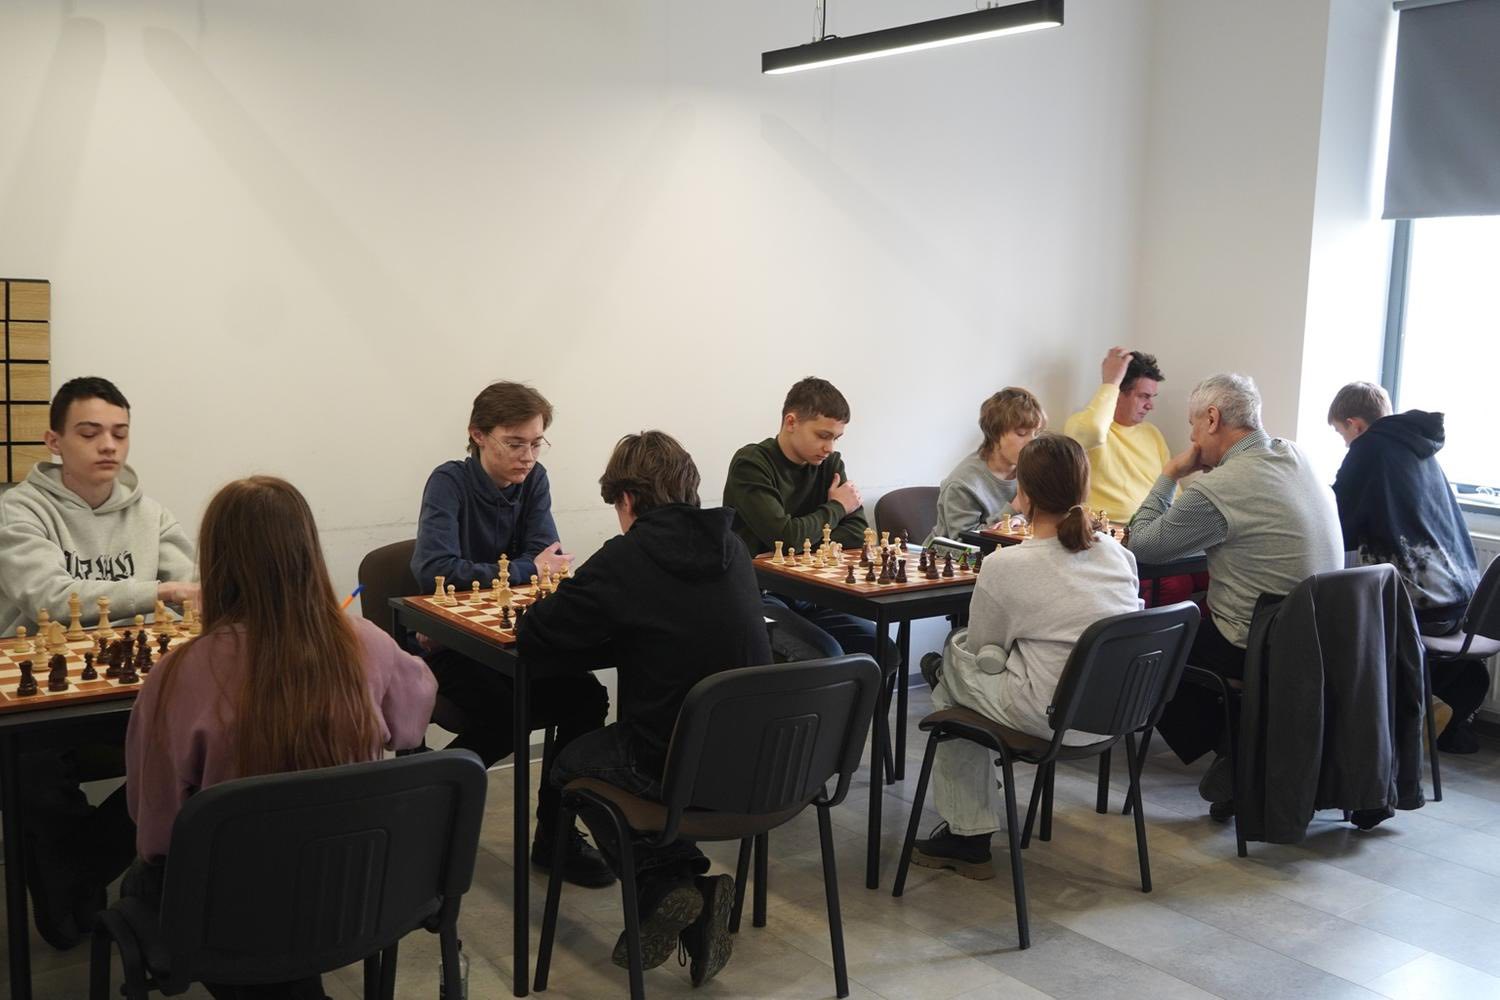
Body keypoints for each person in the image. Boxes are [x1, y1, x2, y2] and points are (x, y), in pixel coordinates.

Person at [124, 476, 437, 1000]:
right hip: (357, 891)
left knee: (141, 882)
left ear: (216, 562)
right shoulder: (365, 643)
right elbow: (412, 726)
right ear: (308, 551)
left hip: (233, 917)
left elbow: (156, 831)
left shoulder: (178, 673)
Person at [518, 431, 770, 986]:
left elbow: (538, 632)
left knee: (571, 765)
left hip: (675, 767)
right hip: (760, 768)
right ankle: (690, 885)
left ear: (628, 499)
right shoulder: (732, 547)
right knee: (648, 745)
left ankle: (664, 884)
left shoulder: (628, 556)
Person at [0, 376, 198, 949]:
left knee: (195, 756)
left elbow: (190, 589)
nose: (108, 445)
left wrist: (182, 595)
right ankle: (75, 884)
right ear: (54, 441)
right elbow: (48, 597)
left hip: (128, 682)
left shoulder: (152, 515)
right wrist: (159, 592)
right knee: (35, 777)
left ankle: (73, 876)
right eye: (89, 433)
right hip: (37, 687)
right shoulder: (18, 512)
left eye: (119, 433)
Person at [912, 435, 1143, 877]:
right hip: (1116, 714)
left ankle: (967, 838)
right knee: (968, 666)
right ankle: (944, 675)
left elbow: (984, 650)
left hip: (1050, 717)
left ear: (1025, 493)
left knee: (954, 674)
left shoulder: (1006, 565)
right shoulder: (1119, 555)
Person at [411, 380, 612, 886]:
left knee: (587, 697)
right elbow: (433, 568)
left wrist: (523, 570)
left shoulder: (534, 480)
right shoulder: (449, 482)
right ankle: (423, 801)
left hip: (512, 636)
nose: (528, 456)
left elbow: (550, 560)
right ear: (478, 435)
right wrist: (527, 568)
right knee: (507, 715)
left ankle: (556, 837)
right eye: (515, 443)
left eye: (537, 443)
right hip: (451, 642)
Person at [1127, 374, 1342, 810]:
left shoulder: (1221, 487)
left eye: (1192, 425)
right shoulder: (1296, 455)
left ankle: (1240, 748)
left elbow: (1142, 545)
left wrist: (1169, 474)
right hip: (1320, 637)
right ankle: (1245, 744)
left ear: (1212, 418)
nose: (1191, 438)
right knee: (1192, 620)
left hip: (1261, 642)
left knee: (1144, 649)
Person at [1329, 381, 1485, 753]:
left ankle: (1381, 727)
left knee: (1329, 623)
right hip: (1464, 606)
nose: (1345, 443)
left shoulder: (1369, 448)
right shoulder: (1420, 448)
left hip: (1424, 610)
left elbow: (1335, 526)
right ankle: (1436, 714)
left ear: (1355, 425)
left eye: (1341, 434)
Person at [722, 376, 887, 665]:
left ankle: (871, 700)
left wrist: (800, 543)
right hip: (760, 595)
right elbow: (785, 536)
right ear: (791, 422)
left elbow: (857, 533)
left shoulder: (830, 464)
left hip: (814, 594)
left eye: (836, 438)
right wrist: (837, 506)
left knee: (882, 649)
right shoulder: (752, 463)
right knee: (827, 655)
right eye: (823, 435)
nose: (830, 447)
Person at [926, 387, 1045, 543]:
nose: (1032, 442)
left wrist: (1021, 518)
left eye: (1036, 433)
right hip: (949, 556)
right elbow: (964, 543)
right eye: (1022, 433)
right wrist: (1014, 508)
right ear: (995, 434)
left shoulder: (1030, 468)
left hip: (1010, 553)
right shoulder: (962, 483)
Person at [1063, 347, 1170, 520]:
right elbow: (1094, 431)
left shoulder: (1152, 433)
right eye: (1144, 396)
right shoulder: (1081, 424)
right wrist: (1111, 382)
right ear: (1118, 393)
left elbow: (1171, 487)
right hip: (1104, 529)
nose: (1150, 405)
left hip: (1153, 528)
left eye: (1152, 397)